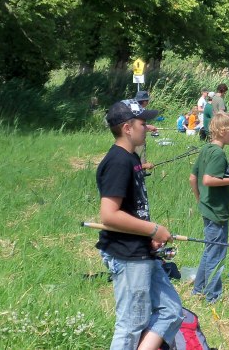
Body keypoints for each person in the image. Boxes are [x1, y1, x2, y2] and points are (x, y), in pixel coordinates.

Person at [96, 101, 183, 350]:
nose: (148, 128)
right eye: (143, 123)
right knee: (131, 324)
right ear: (127, 128)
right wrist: (153, 229)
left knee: (171, 311)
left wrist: (150, 237)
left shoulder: (131, 157)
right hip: (127, 253)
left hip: (142, 249)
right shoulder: (118, 162)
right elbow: (109, 215)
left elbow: (131, 211)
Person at [189, 112, 229, 304]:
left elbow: (193, 178)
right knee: (217, 255)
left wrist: (199, 200)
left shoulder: (206, 149)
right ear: (223, 132)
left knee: (210, 250)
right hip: (217, 211)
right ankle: (213, 297)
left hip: (208, 208)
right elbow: (208, 180)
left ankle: (198, 290)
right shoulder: (218, 153)